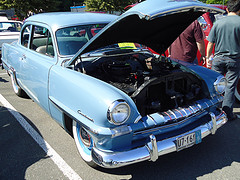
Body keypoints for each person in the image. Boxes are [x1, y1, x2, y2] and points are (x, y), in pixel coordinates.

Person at [206, 0, 240, 121]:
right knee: (230, 87)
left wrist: (207, 57)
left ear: (227, 9)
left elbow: (210, 43)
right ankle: (227, 113)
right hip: (234, 60)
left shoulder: (218, 22)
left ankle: (212, 112)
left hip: (218, 58)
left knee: (214, 86)